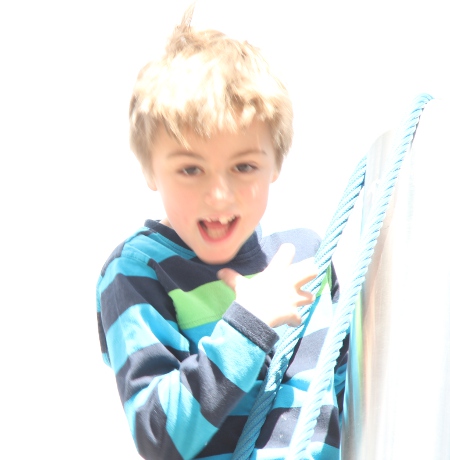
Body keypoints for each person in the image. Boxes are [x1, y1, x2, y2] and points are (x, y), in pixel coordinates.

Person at [96, 5, 347, 459]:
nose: (218, 195)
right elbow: (159, 436)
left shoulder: (307, 256)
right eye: (190, 169)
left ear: (275, 163)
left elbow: (353, 398)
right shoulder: (137, 272)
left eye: (243, 166)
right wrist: (248, 325)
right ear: (150, 169)